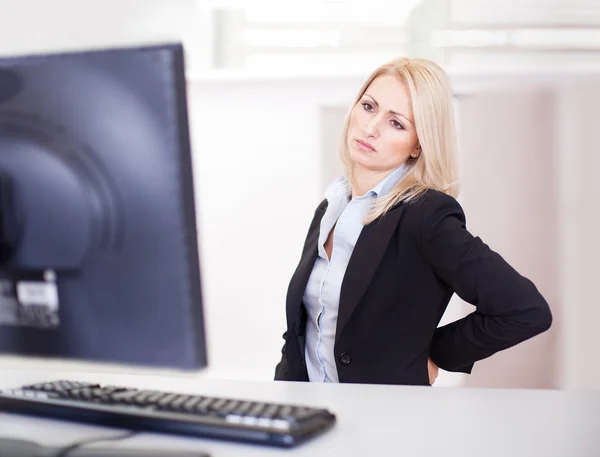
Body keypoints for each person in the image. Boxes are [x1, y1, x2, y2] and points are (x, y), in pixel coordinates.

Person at [274, 57, 552, 386]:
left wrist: (432, 353)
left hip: (385, 421)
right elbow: (303, 331)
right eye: (368, 106)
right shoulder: (332, 206)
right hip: (308, 415)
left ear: (418, 145)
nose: (370, 128)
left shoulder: (426, 214)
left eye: (396, 123)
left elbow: (524, 309)